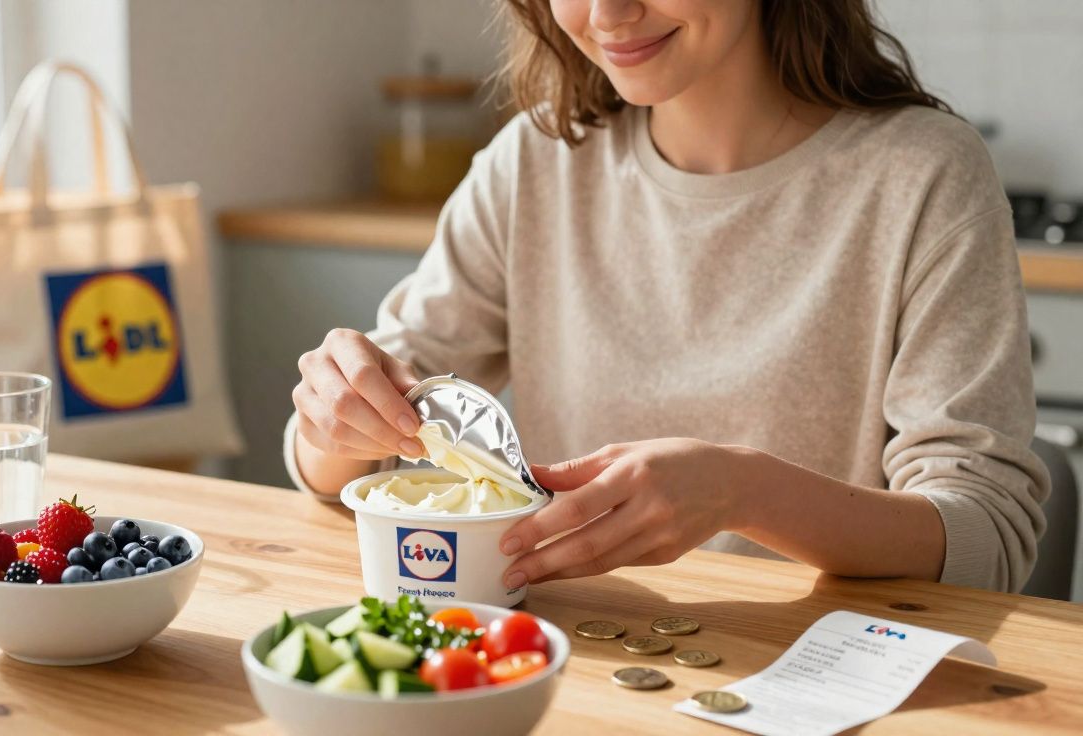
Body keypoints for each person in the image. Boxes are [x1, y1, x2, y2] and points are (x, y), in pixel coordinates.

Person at [284, 0, 1048, 594]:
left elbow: (987, 540)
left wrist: (744, 493)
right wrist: (336, 418)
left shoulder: (925, 176)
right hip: (574, 669)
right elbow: (338, 466)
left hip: (815, 678)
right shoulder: (534, 164)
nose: (608, 14)